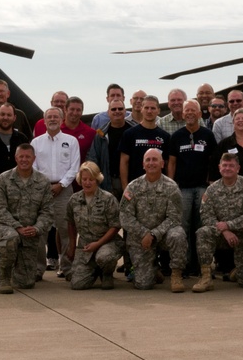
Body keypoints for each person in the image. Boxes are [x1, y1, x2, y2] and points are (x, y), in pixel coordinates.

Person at [118, 149, 188, 292]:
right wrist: (144, 233)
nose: (151, 163)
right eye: (148, 160)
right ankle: (153, 269)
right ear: (143, 165)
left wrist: (154, 234)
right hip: (141, 238)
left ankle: (176, 274)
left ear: (162, 164)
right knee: (143, 285)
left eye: (155, 160)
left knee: (178, 235)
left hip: (164, 235)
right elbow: (125, 216)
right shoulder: (133, 187)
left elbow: (175, 217)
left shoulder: (171, 187)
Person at [0, 143, 54, 293]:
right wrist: (17, 227)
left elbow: (47, 212)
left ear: (34, 158)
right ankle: (4, 278)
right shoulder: (4, 179)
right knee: (11, 238)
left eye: (28, 157)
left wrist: (37, 228)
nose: (24, 160)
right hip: (5, 226)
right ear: (16, 158)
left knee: (26, 283)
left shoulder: (43, 181)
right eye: (21, 156)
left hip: (30, 231)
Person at [192, 153, 243, 292]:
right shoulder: (212, 189)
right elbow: (206, 215)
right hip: (221, 235)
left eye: (231, 165)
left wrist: (229, 225)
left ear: (238, 168)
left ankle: (239, 271)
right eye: (225, 165)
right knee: (203, 232)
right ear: (219, 167)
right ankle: (205, 277)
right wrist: (224, 230)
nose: (227, 168)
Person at [168, 100, 217, 275]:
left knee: (201, 226)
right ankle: (185, 263)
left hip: (202, 188)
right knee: (183, 226)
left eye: (193, 111)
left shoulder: (207, 135)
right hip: (183, 188)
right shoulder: (177, 136)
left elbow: (213, 160)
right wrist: (172, 184)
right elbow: (172, 162)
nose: (189, 113)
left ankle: (201, 264)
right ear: (182, 114)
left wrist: (210, 181)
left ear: (199, 114)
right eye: (186, 110)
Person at [31, 107, 80, 279]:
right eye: (49, 117)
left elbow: (75, 167)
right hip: (41, 192)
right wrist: (46, 186)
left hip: (65, 191)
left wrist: (61, 184)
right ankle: (37, 269)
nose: (52, 119)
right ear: (44, 121)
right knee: (40, 232)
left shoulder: (71, 141)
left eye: (56, 117)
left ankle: (67, 268)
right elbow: (33, 167)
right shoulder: (36, 143)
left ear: (62, 120)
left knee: (66, 231)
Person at [0, 102, 29, 278]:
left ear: (14, 118)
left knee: (17, 225)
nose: (5, 118)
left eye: (9, 115)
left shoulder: (21, 138)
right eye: (2, 114)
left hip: (18, 191)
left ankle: (14, 264)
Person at [65, 161, 124, 290]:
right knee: (77, 285)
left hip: (107, 243)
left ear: (97, 179)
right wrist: (72, 245)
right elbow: (70, 223)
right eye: (84, 179)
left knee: (104, 257)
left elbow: (115, 226)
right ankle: (94, 269)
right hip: (86, 245)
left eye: (91, 179)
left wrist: (97, 244)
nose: (87, 183)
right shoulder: (74, 200)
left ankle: (107, 273)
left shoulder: (108, 199)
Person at [87, 97, 136, 198]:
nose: (117, 111)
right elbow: (93, 159)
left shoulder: (136, 131)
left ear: (125, 111)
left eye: (120, 109)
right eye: (113, 109)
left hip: (133, 180)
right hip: (110, 182)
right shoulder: (101, 134)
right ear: (108, 112)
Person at [119, 95, 171, 184]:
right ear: (141, 109)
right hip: (135, 187)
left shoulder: (165, 137)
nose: (149, 111)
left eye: (153, 108)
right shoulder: (129, 134)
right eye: (146, 108)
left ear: (158, 111)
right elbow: (124, 163)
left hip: (159, 187)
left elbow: (167, 164)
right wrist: (125, 187)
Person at [63, 97, 97, 164]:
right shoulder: (57, 131)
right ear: (65, 109)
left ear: (82, 112)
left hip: (81, 173)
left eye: (78, 110)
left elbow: (94, 157)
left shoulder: (91, 133)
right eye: (72, 109)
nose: (75, 113)